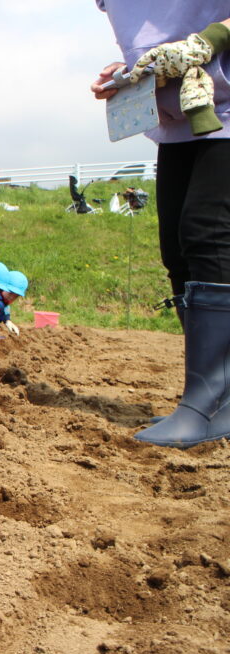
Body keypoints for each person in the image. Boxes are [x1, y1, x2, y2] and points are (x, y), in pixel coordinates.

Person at [93, 5, 230, 446]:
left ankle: (207, 404)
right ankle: (215, 399)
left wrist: (211, 39)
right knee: (176, 248)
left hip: (224, 111)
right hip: (179, 120)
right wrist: (129, 73)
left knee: (207, 235)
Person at [0, 269, 28, 336]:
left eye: (16, 296)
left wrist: (8, 321)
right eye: (11, 293)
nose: (12, 297)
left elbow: (6, 307)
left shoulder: (4, 302)